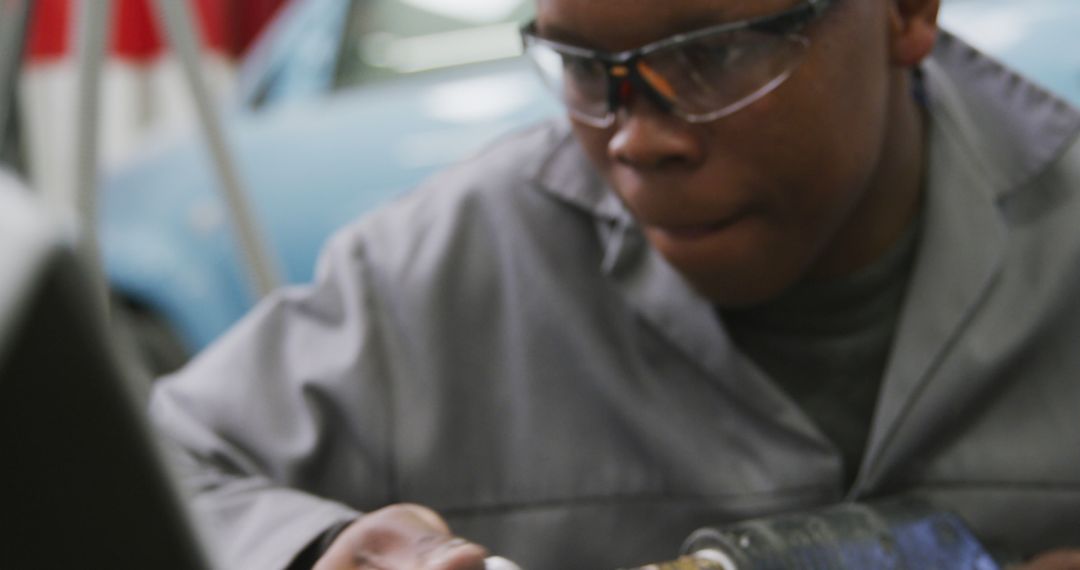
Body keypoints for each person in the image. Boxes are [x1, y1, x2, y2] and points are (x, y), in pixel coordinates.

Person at [149, 0, 1080, 568]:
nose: (637, 138)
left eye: (715, 52)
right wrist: (315, 551)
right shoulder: (449, 269)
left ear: (905, 10)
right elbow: (145, 478)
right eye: (587, 70)